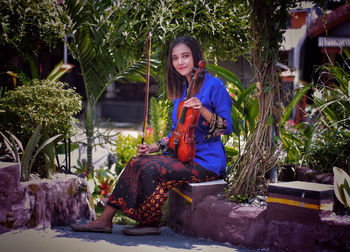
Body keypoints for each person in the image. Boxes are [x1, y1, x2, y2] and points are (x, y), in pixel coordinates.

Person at [71, 36, 233, 236]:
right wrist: (152, 147)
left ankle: (150, 223)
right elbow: (178, 132)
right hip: (183, 155)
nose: (180, 62)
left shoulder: (214, 86)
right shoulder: (182, 89)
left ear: (195, 57)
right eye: (175, 58)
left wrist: (204, 111)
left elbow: (227, 127)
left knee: (150, 168)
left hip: (207, 162)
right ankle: (105, 220)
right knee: (136, 161)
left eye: (185, 56)